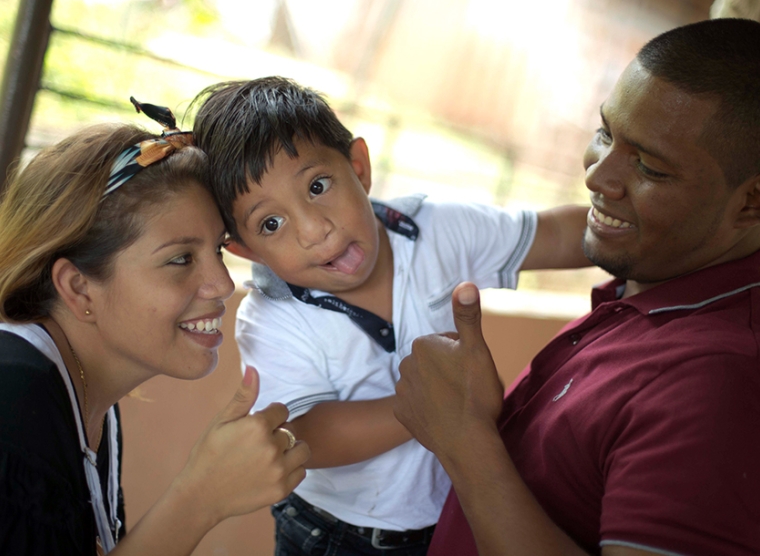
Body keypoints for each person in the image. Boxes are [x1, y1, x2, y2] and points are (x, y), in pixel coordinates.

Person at [393, 17, 760, 556]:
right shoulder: (644, 291)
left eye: (650, 168)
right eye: (606, 133)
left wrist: (465, 444)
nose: (597, 176)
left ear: (751, 201)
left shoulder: (717, 380)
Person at [190, 77, 591, 555]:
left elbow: (556, 235)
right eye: (271, 224)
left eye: (317, 186)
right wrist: (438, 405)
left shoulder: (438, 229)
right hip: (336, 536)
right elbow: (306, 435)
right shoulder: (272, 318)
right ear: (244, 248)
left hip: (449, 520)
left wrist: (653, 234)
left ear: (358, 167)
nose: (315, 230)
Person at [0, 99, 310, 555]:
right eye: (181, 259)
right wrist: (201, 498)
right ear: (79, 287)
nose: (222, 284)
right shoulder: (13, 396)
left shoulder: (86, 400)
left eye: (218, 251)